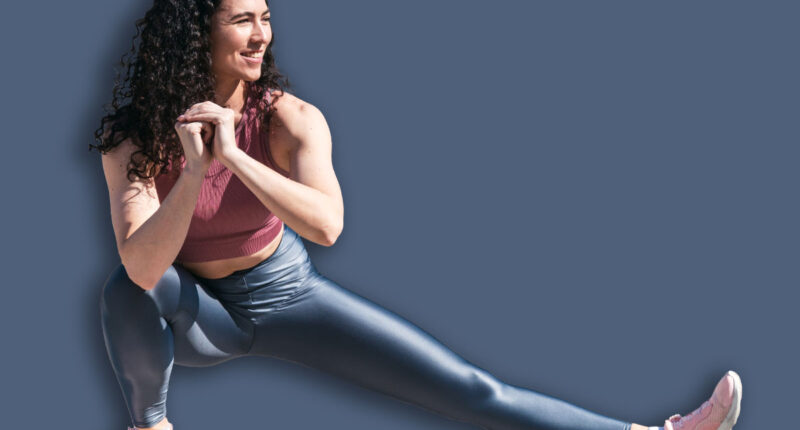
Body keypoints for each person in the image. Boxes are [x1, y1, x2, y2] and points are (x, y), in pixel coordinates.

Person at [90, 0, 743, 429]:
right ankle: (151, 425)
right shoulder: (135, 138)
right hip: (199, 313)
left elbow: (326, 225)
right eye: (241, 19)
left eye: (265, 15)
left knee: (470, 391)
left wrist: (233, 155)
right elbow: (143, 265)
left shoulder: (289, 119)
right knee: (126, 291)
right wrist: (196, 172)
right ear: (194, 33)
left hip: (285, 294)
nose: (261, 33)